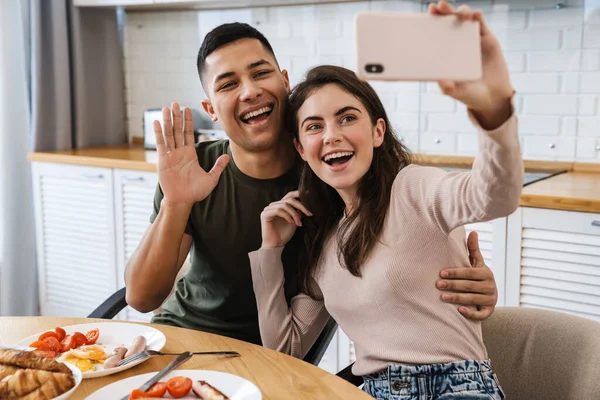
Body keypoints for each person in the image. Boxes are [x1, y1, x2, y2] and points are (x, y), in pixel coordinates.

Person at [124, 18, 500, 348]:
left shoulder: (333, 174)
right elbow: (141, 298)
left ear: (284, 81)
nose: (249, 91)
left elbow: (410, 244)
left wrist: (469, 280)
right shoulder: (196, 169)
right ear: (211, 110)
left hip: (274, 354)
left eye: (260, 73)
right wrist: (175, 203)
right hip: (183, 336)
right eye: (227, 84)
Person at [248, 2, 521, 398]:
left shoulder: (414, 189)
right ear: (301, 148)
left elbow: (494, 195)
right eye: (314, 126)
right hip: (373, 391)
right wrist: (270, 250)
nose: (331, 135)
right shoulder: (323, 240)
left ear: (377, 132)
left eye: (347, 118)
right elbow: (284, 350)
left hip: (456, 387)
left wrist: (493, 110)